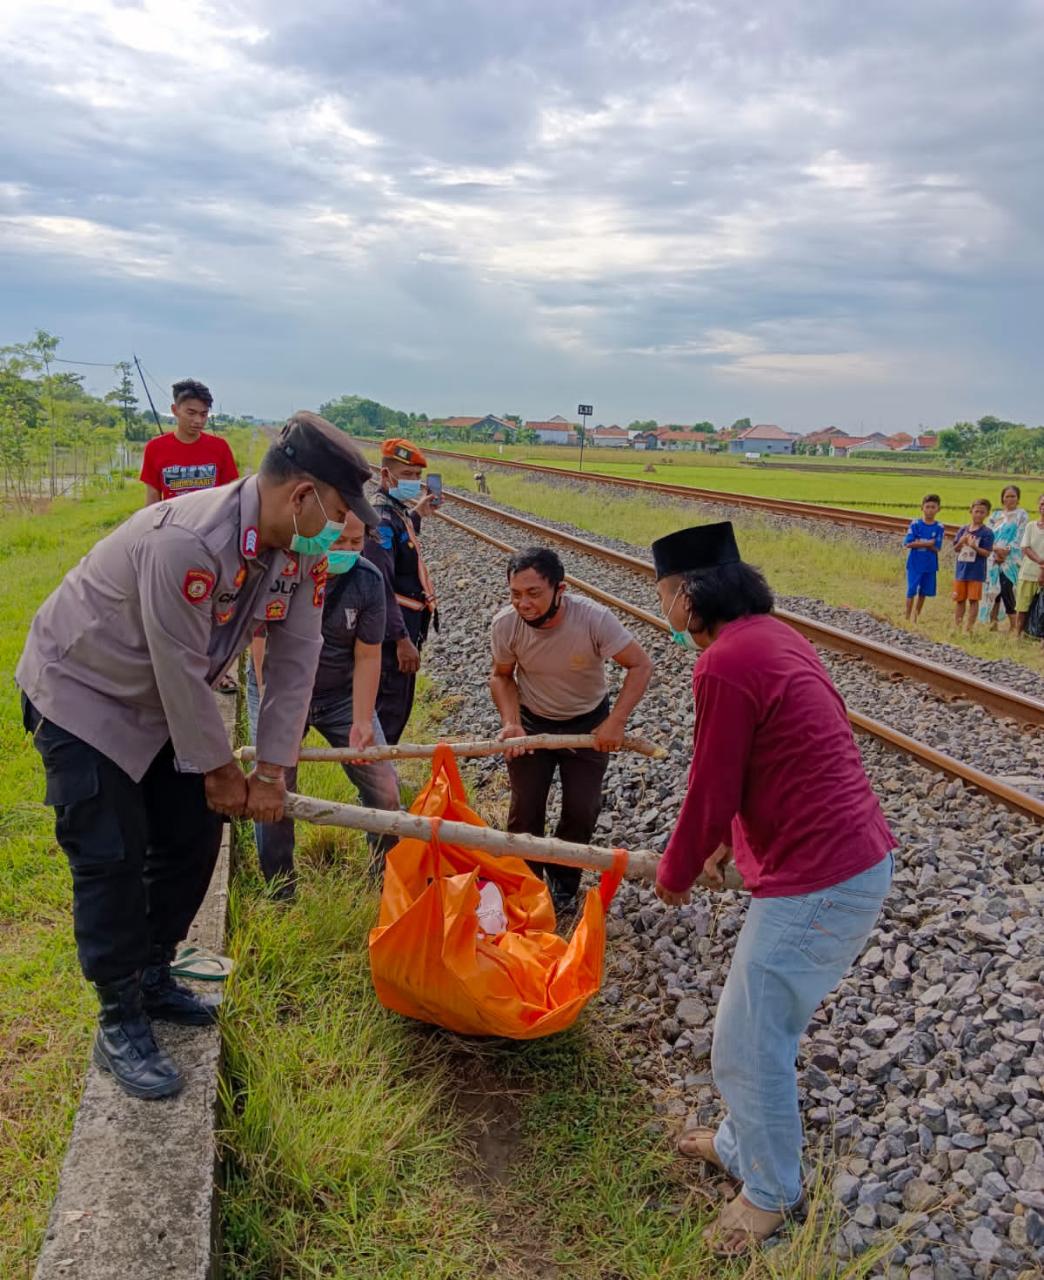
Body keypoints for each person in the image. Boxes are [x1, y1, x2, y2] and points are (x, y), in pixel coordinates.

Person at [17, 412, 377, 1100]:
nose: (341, 528)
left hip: (157, 700)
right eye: (335, 510)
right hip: (83, 692)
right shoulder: (191, 539)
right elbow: (181, 669)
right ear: (301, 495)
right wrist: (220, 770)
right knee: (110, 853)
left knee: (191, 835)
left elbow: (296, 660)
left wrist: (271, 771)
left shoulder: (298, 553)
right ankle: (118, 1017)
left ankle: (153, 974)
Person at [651, 522, 895, 1255]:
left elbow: (711, 783)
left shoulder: (723, 662)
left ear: (689, 595)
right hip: (842, 857)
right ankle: (739, 1141)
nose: (660, 605)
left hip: (822, 876)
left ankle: (770, 1192)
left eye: (662, 591)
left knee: (746, 1039)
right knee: (756, 1020)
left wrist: (677, 868)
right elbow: (767, 756)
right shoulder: (771, 637)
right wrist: (728, 839)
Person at [489, 547, 653, 918]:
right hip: (532, 724)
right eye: (515, 594)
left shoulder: (593, 619)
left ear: (559, 590)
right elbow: (501, 676)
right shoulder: (505, 625)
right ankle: (526, 885)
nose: (523, 603)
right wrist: (511, 722)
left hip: (588, 725)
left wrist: (616, 722)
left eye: (533, 593)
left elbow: (640, 665)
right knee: (525, 809)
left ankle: (564, 881)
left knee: (582, 809)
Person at [246, 512, 401, 897]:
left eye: (355, 542)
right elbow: (262, 643)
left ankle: (384, 877)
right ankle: (280, 889)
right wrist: (275, 715)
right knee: (274, 789)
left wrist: (363, 720)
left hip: (339, 696)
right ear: (316, 536)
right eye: (338, 543)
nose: (347, 551)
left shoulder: (367, 581)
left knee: (384, 788)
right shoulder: (280, 570)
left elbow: (368, 657)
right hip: (279, 688)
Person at [364, 438, 439, 744]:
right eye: (407, 475)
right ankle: (376, 783)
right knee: (388, 709)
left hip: (404, 626)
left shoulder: (396, 512)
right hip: (391, 634)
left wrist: (418, 514)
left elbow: (401, 548)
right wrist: (401, 640)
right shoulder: (381, 520)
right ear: (385, 476)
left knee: (398, 707)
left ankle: (382, 775)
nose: (414, 483)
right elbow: (379, 584)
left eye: (417, 477)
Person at [139, 379, 239, 505]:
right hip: (172, 522)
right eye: (191, 413)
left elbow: (230, 496)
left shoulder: (220, 447)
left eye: (203, 414)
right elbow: (153, 498)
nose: (198, 420)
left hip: (212, 522)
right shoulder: (155, 448)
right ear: (175, 410)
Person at [980, 485, 1029, 631]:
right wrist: (995, 550)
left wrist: (1006, 552)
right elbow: (987, 535)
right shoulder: (995, 516)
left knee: (1008, 591)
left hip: (1011, 561)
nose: (1010, 499)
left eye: (1013, 496)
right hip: (993, 558)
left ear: (1018, 498)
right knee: (993, 592)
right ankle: (992, 624)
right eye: (1007, 496)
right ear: (1002, 498)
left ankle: (1014, 628)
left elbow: (1019, 537)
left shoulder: (1021, 515)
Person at [951, 499, 995, 633]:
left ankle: (968, 629)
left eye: (982, 512)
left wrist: (974, 547)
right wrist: (962, 541)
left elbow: (987, 553)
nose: (979, 515)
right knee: (959, 599)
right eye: (976, 511)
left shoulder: (987, 533)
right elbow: (956, 548)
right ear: (971, 512)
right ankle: (957, 627)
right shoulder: (963, 529)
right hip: (961, 570)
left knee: (973, 600)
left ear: (987, 514)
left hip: (976, 572)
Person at [902, 493, 944, 621]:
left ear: (938, 509)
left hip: (930, 564)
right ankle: (907, 617)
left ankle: (916, 616)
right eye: (927, 507)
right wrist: (927, 543)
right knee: (911, 590)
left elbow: (937, 547)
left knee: (924, 591)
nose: (930, 510)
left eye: (933, 507)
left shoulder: (939, 527)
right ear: (922, 508)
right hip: (915, 563)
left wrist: (919, 542)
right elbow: (908, 543)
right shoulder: (915, 524)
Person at [1015, 491, 1044, 638]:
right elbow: (1025, 547)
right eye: (1042, 504)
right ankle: (1018, 635)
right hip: (1028, 572)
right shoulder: (1031, 526)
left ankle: (1039, 639)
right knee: (1022, 606)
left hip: (1042, 574)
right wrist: (1040, 561)